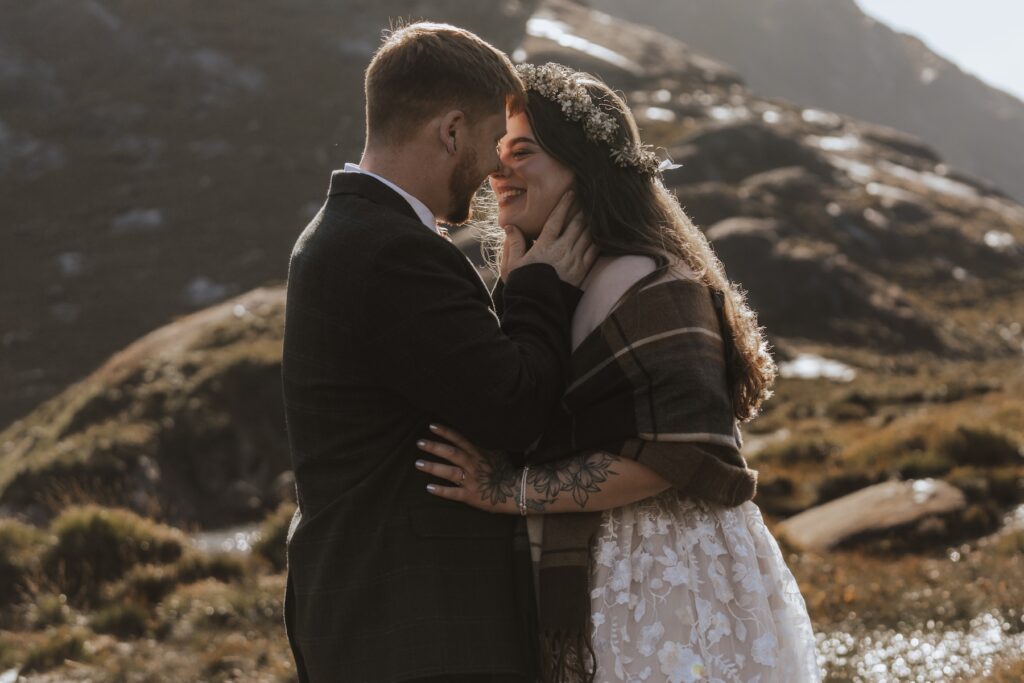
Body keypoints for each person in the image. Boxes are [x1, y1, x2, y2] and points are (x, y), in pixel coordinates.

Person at [415, 63, 822, 683]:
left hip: (665, 578)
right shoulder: (553, 278)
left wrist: (505, 492)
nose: (497, 171)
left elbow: (671, 457)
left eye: (521, 151)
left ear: (585, 165)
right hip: (604, 571)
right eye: (495, 153)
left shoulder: (654, 281)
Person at [281, 29, 599, 682]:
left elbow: (457, 377)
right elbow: (514, 409)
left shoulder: (340, 233)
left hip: (369, 602)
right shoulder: (394, 251)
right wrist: (540, 283)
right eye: (491, 145)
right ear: (452, 131)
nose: (493, 175)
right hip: (416, 618)